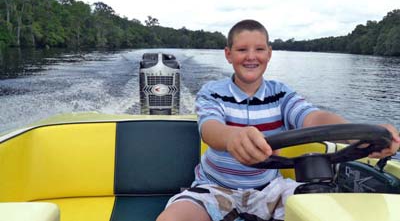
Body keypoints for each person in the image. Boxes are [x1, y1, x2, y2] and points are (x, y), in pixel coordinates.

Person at [157, 19, 400, 221]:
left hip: (271, 191)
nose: (251, 57)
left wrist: (358, 133)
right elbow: (210, 129)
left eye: (259, 49)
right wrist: (233, 138)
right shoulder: (212, 92)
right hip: (214, 188)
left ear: (269, 53)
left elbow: (314, 118)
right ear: (229, 55)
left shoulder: (282, 95)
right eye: (242, 50)